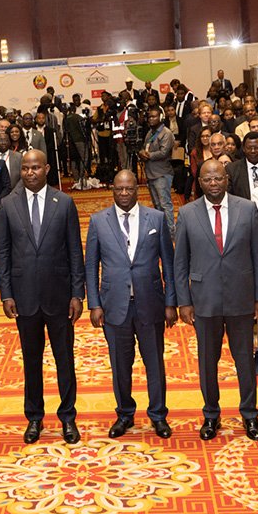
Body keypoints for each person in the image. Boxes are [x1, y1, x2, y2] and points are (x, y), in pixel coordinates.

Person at [174, 159, 258, 441]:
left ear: (227, 179)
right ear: (199, 182)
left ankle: (250, 415)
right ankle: (211, 415)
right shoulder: (188, 213)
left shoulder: (247, 208)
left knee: (244, 359)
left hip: (242, 297)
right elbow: (180, 263)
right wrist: (184, 301)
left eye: (218, 178)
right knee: (207, 361)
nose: (213, 184)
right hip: (204, 300)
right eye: (207, 179)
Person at [0, 148, 84, 444]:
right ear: (21, 171)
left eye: (36, 168)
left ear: (46, 169)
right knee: (31, 361)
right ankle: (34, 417)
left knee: (64, 360)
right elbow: (4, 253)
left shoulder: (65, 202)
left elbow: (75, 251)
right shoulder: (8, 205)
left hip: (59, 297)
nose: (30, 173)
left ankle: (68, 417)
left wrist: (77, 293)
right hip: (24, 298)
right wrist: (6, 293)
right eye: (25, 168)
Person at [86, 169, 177, 438]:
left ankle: (158, 415)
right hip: (114, 305)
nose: (124, 194)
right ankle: (124, 413)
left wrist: (171, 301)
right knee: (120, 364)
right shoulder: (98, 221)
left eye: (129, 189)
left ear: (137, 190)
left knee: (154, 363)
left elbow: (168, 266)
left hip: (150, 303)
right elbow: (91, 265)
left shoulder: (156, 219)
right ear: (112, 190)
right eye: (119, 189)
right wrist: (94, 303)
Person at [139, 108, 175, 236]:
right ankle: (162, 231)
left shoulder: (166, 133)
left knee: (165, 205)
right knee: (157, 206)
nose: (151, 119)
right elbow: (145, 148)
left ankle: (171, 233)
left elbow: (164, 152)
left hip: (162, 173)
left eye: (154, 117)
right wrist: (142, 153)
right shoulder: (150, 133)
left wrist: (147, 155)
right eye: (149, 117)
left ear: (161, 117)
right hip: (151, 173)